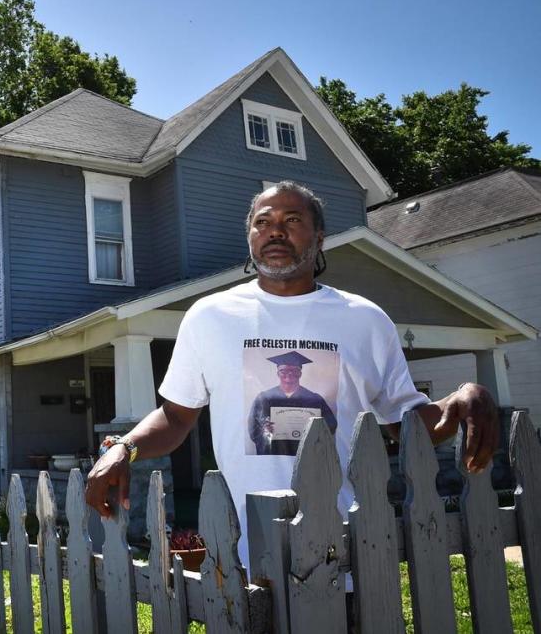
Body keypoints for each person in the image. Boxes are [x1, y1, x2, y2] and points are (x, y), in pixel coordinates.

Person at [85, 180, 498, 564]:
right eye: (262, 222)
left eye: (292, 220)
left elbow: (407, 423)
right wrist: (125, 447)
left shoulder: (365, 320)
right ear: (250, 237)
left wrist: (464, 395)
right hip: (241, 554)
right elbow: (176, 417)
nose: (275, 231)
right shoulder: (210, 317)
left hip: (345, 547)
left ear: (319, 238)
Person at [247, 350, 338, 455]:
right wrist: (265, 431)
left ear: (300, 373)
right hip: (273, 456)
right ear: (278, 373)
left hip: (306, 456)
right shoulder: (264, 398)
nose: (289, 374)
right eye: (284, 370)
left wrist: (315, 431)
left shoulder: (314, 399)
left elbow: (331, 425)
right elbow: (253, 427)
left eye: (294, 370)